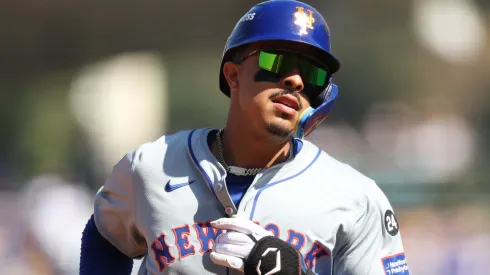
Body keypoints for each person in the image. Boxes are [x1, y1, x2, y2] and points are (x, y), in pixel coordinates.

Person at [79, 0, 410, 274]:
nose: (295, 80)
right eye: (277, 61)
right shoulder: (151, 167)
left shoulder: (355, 197)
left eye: (312, 72)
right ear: (233, 75)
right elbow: (105, 235)